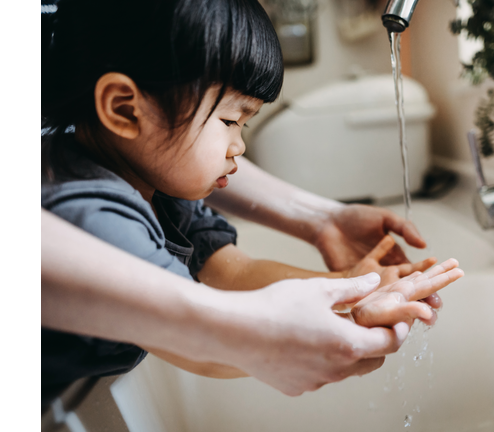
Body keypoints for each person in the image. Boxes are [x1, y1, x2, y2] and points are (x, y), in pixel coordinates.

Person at [41, 0, 463, 409]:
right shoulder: (94, 215)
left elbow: (234, 270)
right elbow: (200, 346)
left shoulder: (149, 182)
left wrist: (349, 283)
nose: (238, 146)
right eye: (229, 121)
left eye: (245, 124)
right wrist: (351, 325)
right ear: (124, 109)